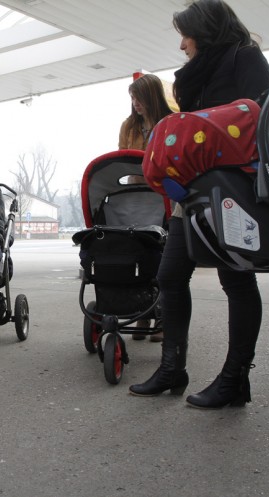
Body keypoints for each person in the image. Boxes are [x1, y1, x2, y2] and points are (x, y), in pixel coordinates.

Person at [129, 0, 269, 408]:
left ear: (205, 32)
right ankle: (172, 368)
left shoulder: (246, 59)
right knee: (170, 276)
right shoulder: (197, 73)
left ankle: (234, 379)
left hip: (232, 190)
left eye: (186, 35)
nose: (182, 46)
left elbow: (257, 119)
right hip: (190, 191)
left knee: (237, 280)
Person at [117, 73, 174, 343]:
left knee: (161, 256)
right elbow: (120, 158)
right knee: (136, 253)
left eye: (138, 97)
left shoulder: (171, 123)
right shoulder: (129, 126)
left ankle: (160, 315)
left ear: (151, 96)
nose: (134, 103)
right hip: (136, 195)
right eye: (131, 98)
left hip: (163, 196)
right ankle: (141, 312)